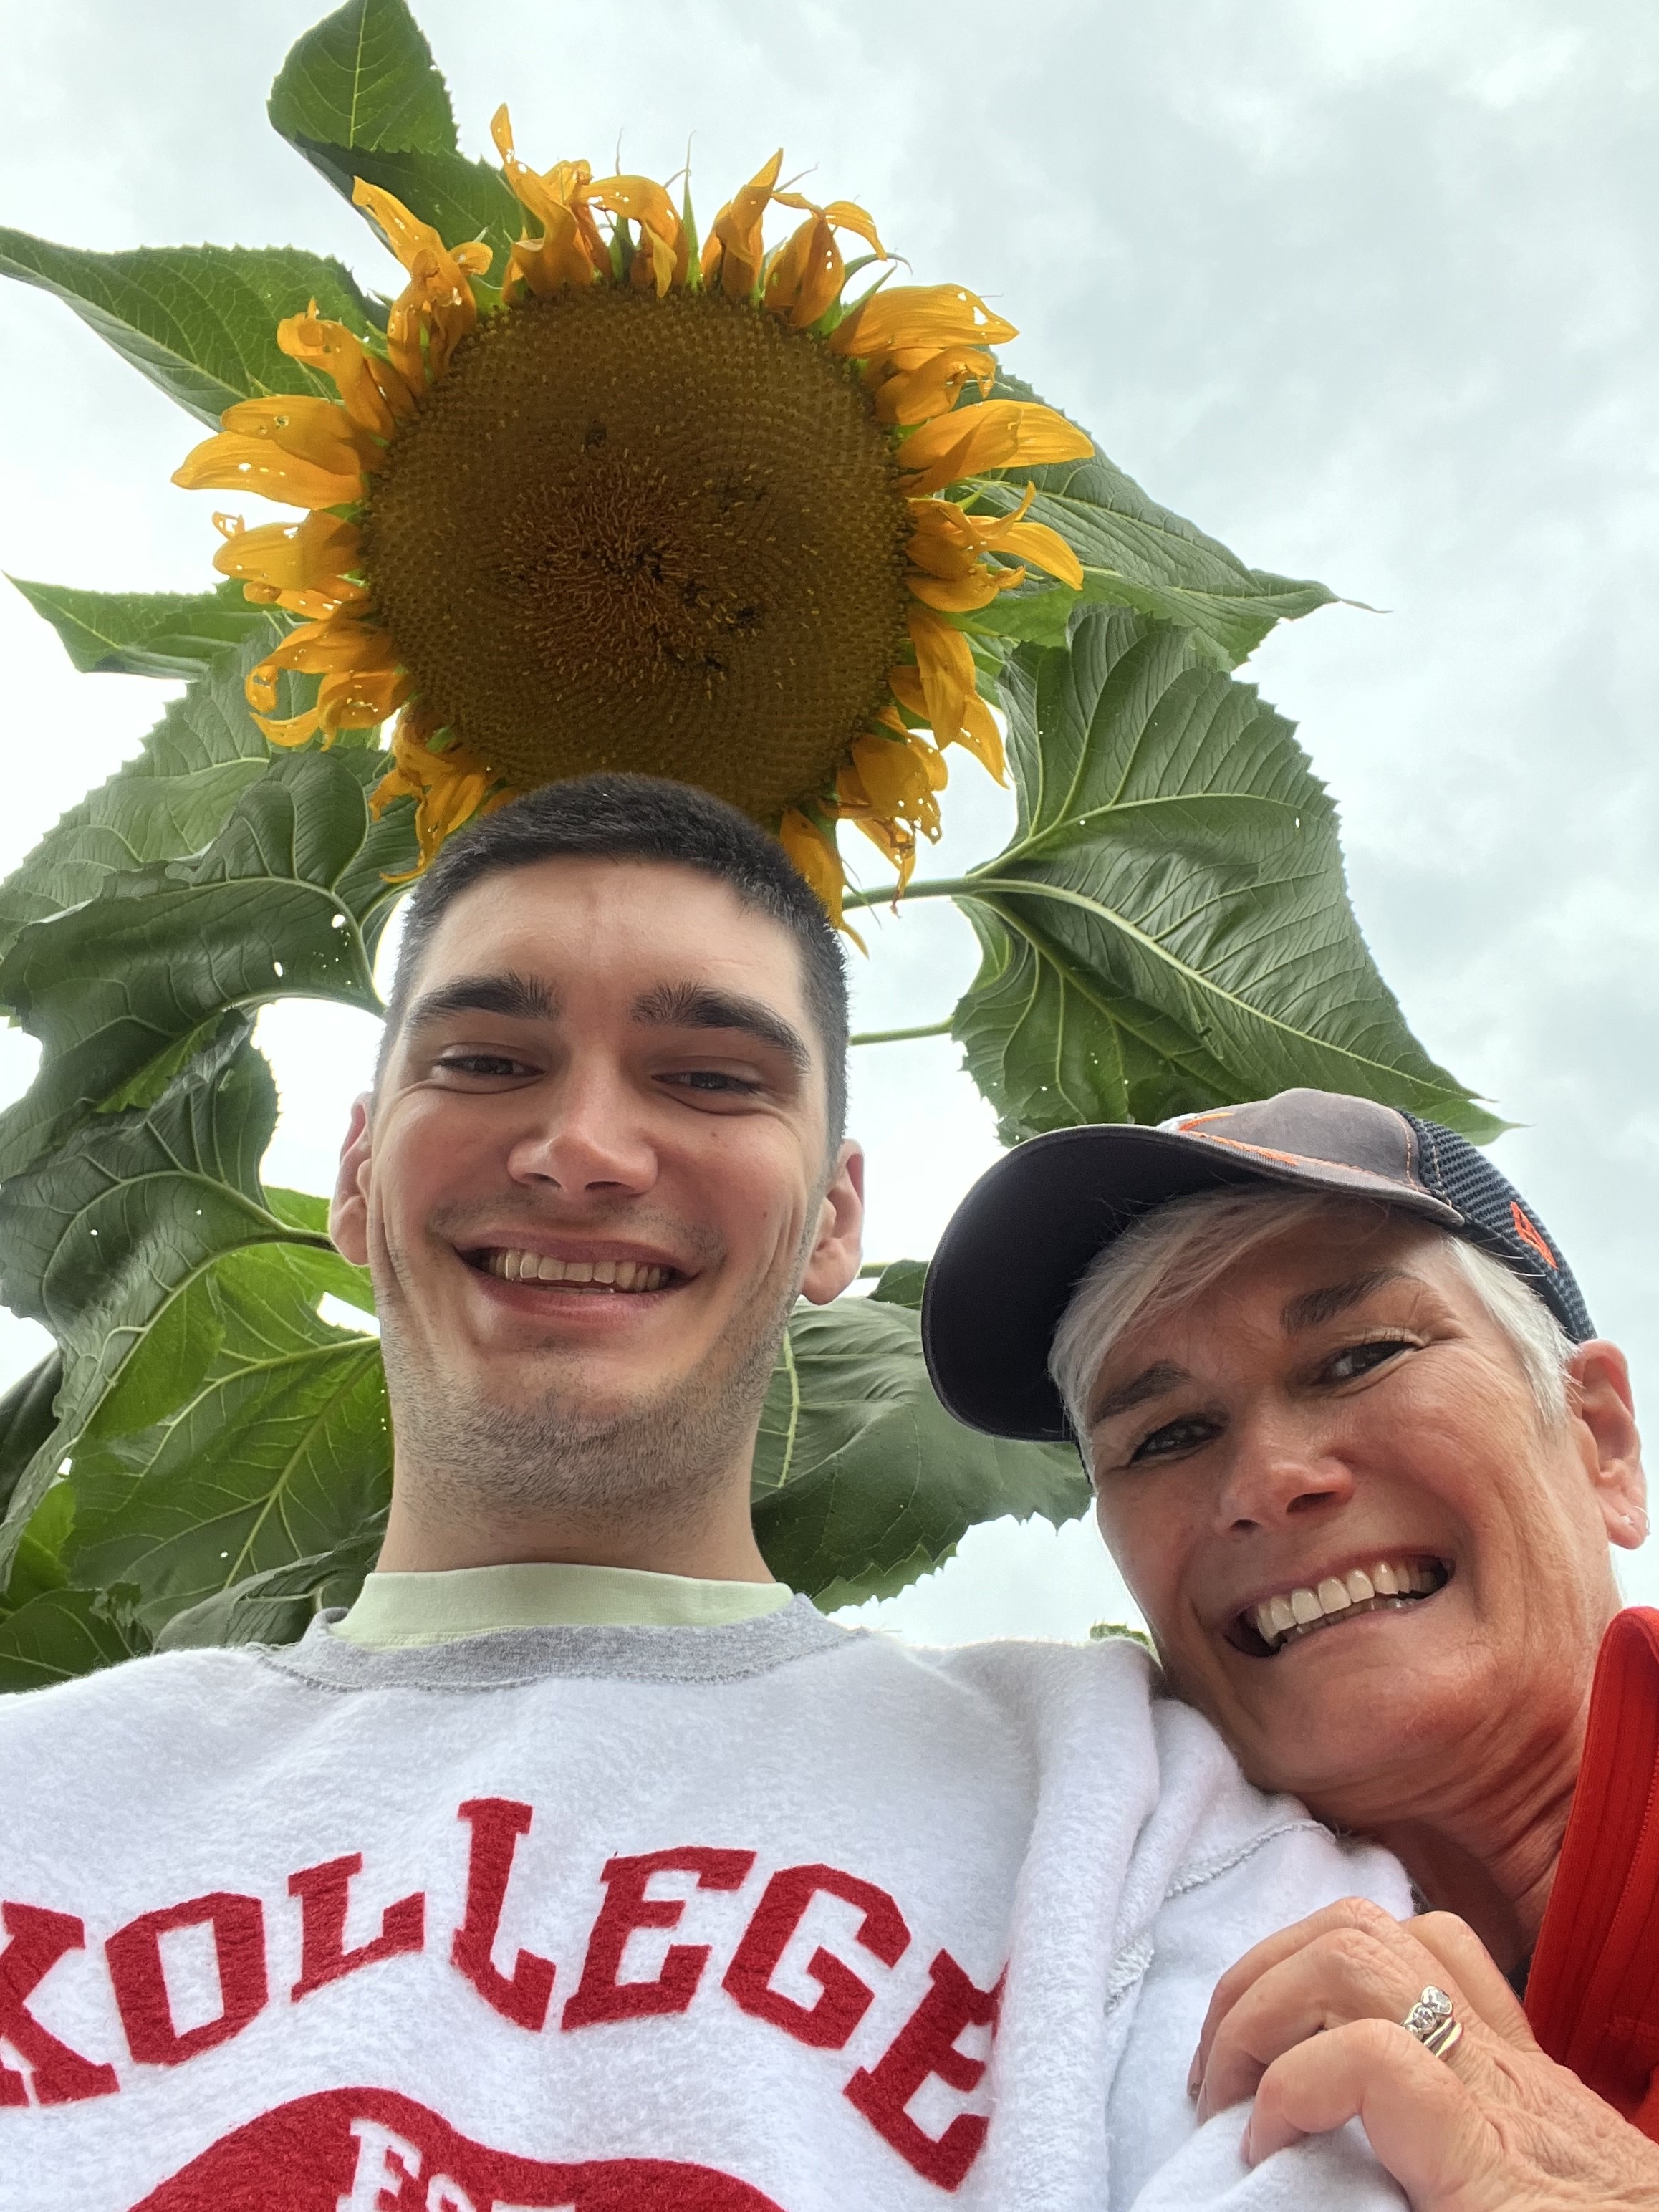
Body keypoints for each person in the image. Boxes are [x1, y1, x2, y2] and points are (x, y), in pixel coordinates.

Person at [0, 785, 1410, 2212]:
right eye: (487, 1058)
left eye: (715, 1078)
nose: (585, 1149)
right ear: (357, 1176)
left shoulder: (1119, 1817)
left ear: (837, 1216)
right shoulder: (34, 1794)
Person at [923, 1086, 1659, 2211]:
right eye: (1165, 1435)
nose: (1267, 1481)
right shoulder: (1105, 2000)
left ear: (1602, 1441)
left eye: (1358, 1357)